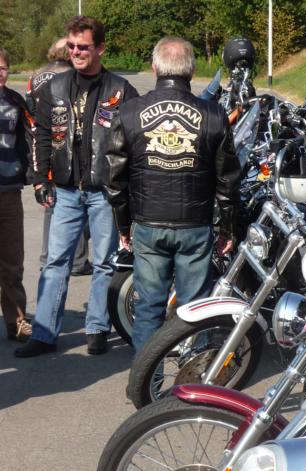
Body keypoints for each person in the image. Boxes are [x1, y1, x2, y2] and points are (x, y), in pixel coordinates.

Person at [104, 36, 241, 353]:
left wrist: (123, 225)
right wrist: (228, 228)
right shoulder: (214, 115)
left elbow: (114, 178)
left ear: (154, 68)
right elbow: (228, 181)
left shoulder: (128, 112)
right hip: (195, 225)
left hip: (148, 224)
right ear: (191, 71)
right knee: (196, 311)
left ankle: (145, 378)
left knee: (148, 309)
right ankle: (193, 377)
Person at [15, 15, 138, 358]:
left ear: (100, 48)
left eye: (83, 47)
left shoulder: (121, 90)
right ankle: (44, 333)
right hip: (65, 190)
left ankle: (97, 328)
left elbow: (133, 141)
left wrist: (127, 187)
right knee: (56, 261)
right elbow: (40, 135)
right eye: (71, 46)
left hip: (104, 191)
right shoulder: (53, 87)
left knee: (104, 263)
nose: (76, 52)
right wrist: (40, 179)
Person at [27, 37, 92, 277]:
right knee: (77, 200)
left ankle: (48, 255)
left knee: (50, 203)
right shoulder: (71, 76)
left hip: (41, 143)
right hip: (66, 147)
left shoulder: (35, 76)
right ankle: (77, 260)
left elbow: (29, 111)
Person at [0, 46, 33, 343]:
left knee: (12, 262)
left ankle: (17, 321)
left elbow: (28, 139)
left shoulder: (15, 101)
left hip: (9, 191)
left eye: (2, 68)